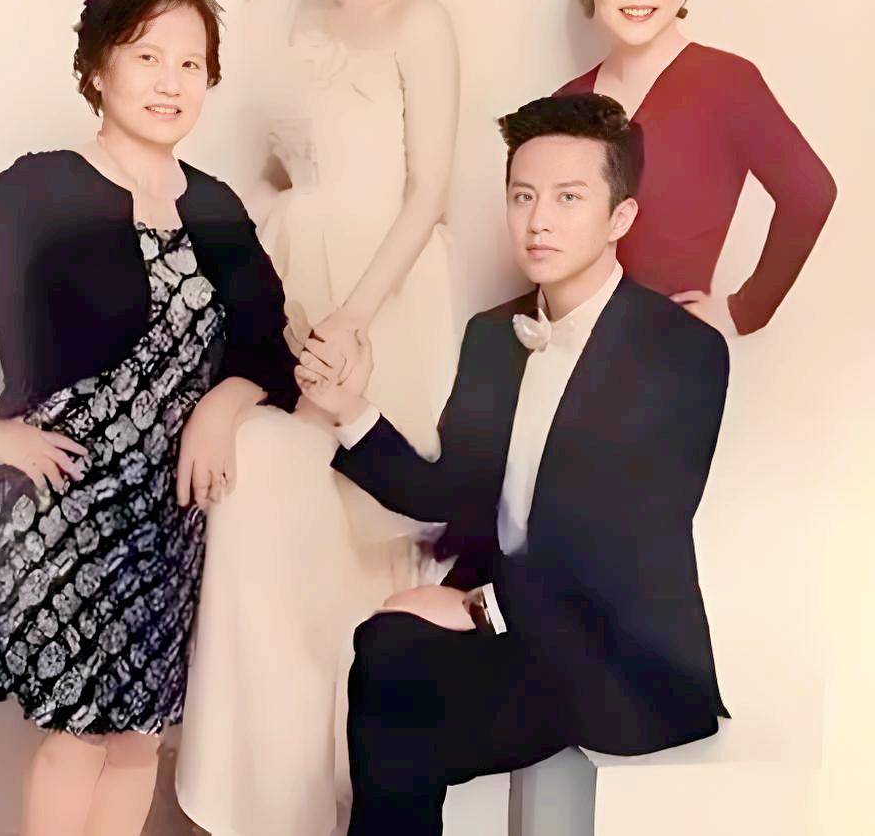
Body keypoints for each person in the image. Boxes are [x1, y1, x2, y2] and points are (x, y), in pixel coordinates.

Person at [0, 0, 297, 836]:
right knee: (77, 738)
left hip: (166, 520)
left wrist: (221, 407)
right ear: (98, 68)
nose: (170, 82)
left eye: (191, 64)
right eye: (147, 56)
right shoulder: (46, 186)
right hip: (61, 505)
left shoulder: (215, 208)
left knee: (139, 738)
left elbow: (268, 342)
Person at [297, 93, 730, 836]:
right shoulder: (493, 335)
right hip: (526, 642)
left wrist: (478, 607)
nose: (538, 221)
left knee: (400, 714)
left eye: (568, 198)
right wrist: (347, 408)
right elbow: (449, 491)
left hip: (620, 655)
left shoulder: (681, 350)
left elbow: (628, 538)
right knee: (387, 654)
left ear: (621, 217)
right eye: (523, 196)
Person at [176, 0, 459, 835]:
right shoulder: (300, 24)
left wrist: (353, 318)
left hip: (386, 299)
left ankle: (352, 795)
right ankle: (266, 797)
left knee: (358, 533)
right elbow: (276, 171)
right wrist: (263, 285)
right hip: (301, 286)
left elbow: (428, 191)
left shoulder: (423, 22)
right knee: (276, 514)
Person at [557, 0, 836, 335]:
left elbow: (812, 194)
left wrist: (742, 310)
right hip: (571, 349)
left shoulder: (728, 83)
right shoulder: (565, 103)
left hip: (670, 356)